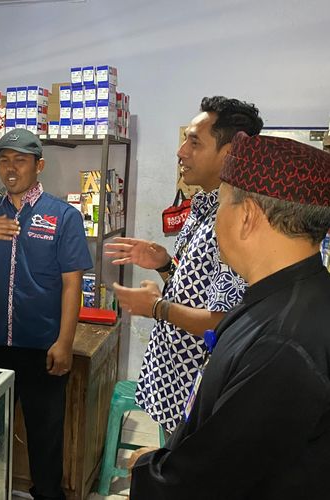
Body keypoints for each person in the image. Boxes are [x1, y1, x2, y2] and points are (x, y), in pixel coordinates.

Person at [129, 132, 330, 499]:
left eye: (221, 204)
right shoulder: (282, 296)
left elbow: (208, 480)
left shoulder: (283, 344)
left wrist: (151, 468)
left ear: (248, 216)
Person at [0, 128, 93, 500]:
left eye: (20, 160)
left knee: (46, 437)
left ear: (38, 165)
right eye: (5, 160)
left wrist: (64, 342)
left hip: (42, 347)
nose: (10, 168)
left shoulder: (63, 216)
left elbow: (72, 284)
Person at [105, 96, 263, 434]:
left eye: (194, 142)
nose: (181, 152)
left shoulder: (237, 220)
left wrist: (156, 308)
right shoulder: (204, 204)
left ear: (231, 152)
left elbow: (225, 323)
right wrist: (164, 265)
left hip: (199, 392)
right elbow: (202, 291)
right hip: (173, 383)